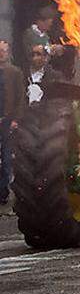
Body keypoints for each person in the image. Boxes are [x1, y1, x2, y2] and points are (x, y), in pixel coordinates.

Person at [0, 41, 25, 206]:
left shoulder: (15, 73)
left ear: (8, 53)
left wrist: (16, 119)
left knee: (6, 158)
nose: (1, 53)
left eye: (3, 51)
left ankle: (2, 193)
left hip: (7, 121)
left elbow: (20, 98)